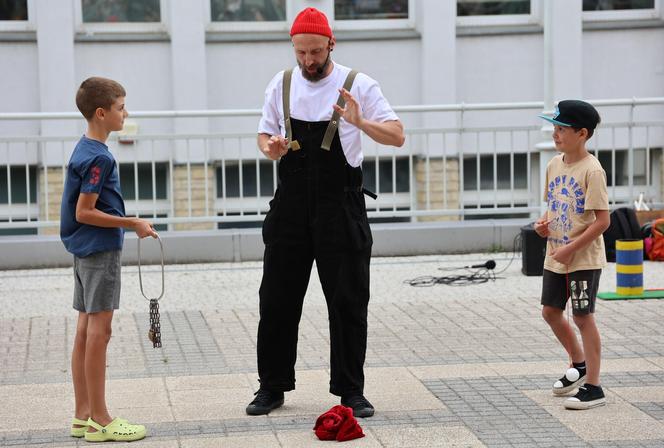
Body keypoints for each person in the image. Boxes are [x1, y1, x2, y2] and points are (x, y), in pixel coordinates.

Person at [246, 7, 405, 418]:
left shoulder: (359, 85)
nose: (308, 61)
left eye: (315, 52)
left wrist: (361, 121)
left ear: (331, 44)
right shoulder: (280, 85)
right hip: (291, 208)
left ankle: (351, 390)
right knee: (276, 300)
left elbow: (398, 135)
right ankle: (272, 386)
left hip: (341, 207)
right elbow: (264, 136)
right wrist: (271, 147)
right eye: (301, 53)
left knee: (348, 301)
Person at [61, 77, 157, 441]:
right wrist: (132, 222)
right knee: (100, 333)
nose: (125, 113)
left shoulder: (83, 148)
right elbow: (85, 211)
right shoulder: (99, 157)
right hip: (99, 250)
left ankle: (82, 415)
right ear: (101, 113)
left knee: (86, 331)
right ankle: (101, 419)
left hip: (83, 250)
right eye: (120, 108)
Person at [535, 100, 609, 410]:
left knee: (581, 316)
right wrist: (543, 225)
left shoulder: (592, 170)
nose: (555, 133)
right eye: (554, 127)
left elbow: (603, 221)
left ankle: (593, 386)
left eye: (562, 128)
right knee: (551, 312)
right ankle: (577, 364)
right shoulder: (554, 164)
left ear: (582, 133)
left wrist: (570, 248)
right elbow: (555, 206)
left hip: (582, 259)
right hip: (556, 255)